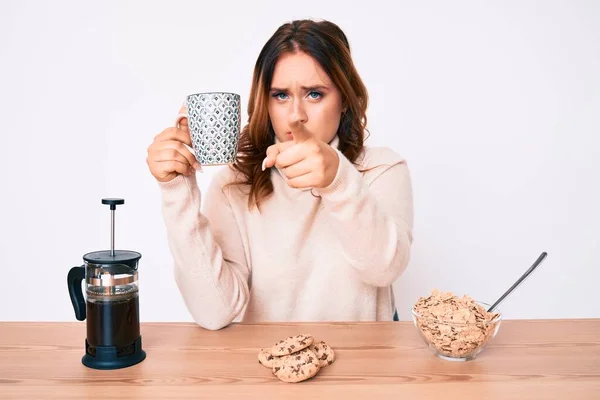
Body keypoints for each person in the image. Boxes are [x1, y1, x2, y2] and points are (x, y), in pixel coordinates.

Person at [146, 19, 414, 330]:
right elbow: (215, 312)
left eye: (314, 94)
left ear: (344, 101)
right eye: (281, 95)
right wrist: (176, 190)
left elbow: (383, 269)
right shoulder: (235, 183)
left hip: (359, 371)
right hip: (269, 367)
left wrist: (337, 181)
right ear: (265, 102)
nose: (296, 115)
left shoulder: (381, 170)